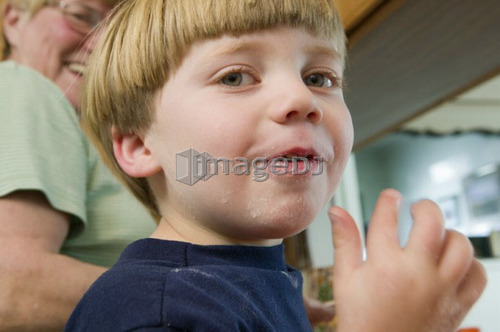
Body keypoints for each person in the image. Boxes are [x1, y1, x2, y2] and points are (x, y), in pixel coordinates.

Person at [64, 0, 487, 330]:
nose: (302, 100)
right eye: (235, 77)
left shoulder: (259, 281)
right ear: (139, 145)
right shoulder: (154, 312)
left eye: (319, 78)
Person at [0, 0, 157, 330]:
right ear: (13, 20)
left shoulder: (93, 136)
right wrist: (203, 297)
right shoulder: (25, 88)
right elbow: (10, 288)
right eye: (81, 17)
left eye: (117, 30)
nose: (102, 44)